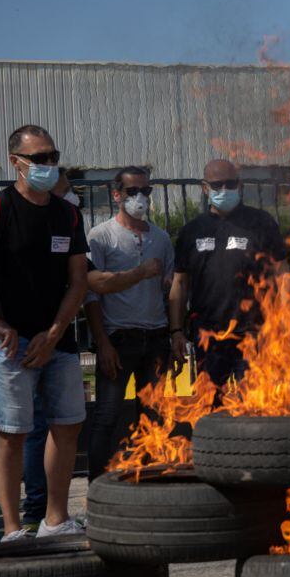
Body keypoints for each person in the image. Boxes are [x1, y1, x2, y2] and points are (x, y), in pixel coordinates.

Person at [0, 124, 89, 541]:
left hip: (58, 341)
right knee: (11, 432)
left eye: (52, 156)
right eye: (39, 158)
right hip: (11, 344)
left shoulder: (68, 213)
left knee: (66, 427)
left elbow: (79, 279)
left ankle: (54, 519)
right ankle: (12, 529)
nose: (49, 164)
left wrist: (54, 332)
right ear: (16, 162)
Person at [85, 167, 175, 480]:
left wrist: (175, 334)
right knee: (107, 416)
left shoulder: (161, 238)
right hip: (119, 338)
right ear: (116, 195)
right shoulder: (101, 236)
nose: (140, 197)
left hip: (155, 337)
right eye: (132, 191)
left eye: (145, 191)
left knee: (153, 414)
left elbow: (169, 289)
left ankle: (150, 478)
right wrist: (103, 343)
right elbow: (91, 295)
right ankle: (98, 486)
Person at [169, 159, 288, 390]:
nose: (224, 190)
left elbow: (282, 275)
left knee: (256, 405)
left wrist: (285, 322)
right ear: (205, 188)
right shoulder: (192, 230)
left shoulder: (261, 223)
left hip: (254, 333)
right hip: (208, 335)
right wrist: (176, 331)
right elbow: (180, 284)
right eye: (217, 185)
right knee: (209, 405)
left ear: (240, 185)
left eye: (230, 184)